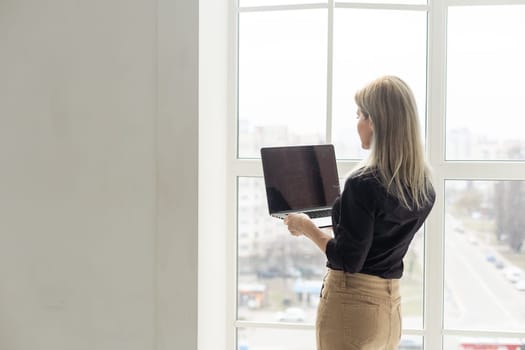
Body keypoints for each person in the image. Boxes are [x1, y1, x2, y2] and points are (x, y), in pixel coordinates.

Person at [284, 76, 435, 350]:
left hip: (353, 307)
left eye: (359, 115)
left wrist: (307, 227)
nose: (357, 124)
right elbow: (378, 236)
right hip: (390, 310)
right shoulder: (422, 188)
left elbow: (349, 259)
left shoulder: (363, 182)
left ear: (374, 121)